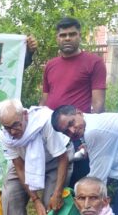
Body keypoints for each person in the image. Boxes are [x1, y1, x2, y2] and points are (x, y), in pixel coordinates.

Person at [0, 99, 72, 215]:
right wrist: (34, 199)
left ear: (24, 115)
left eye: (16, 125)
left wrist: (57, 194)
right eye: (7, 127)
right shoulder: (5, 134)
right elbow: (19, 168)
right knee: (9, 197)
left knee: (50, 207)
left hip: (56, 162)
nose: (12, 131)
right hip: (24, 163)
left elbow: (62, 158)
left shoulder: (46, 122)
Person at [41, 17, 107, 186]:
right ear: (57, 38)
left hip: (77, 134)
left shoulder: (94, 62)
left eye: (72, 34)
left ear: (80, 35)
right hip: (53, 132)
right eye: (63, 35)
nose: (67, 38)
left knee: (77, 184)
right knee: (54, 183)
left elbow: (98, 103)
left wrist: (87, 139)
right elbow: (45, 99)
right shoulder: (51, 65)